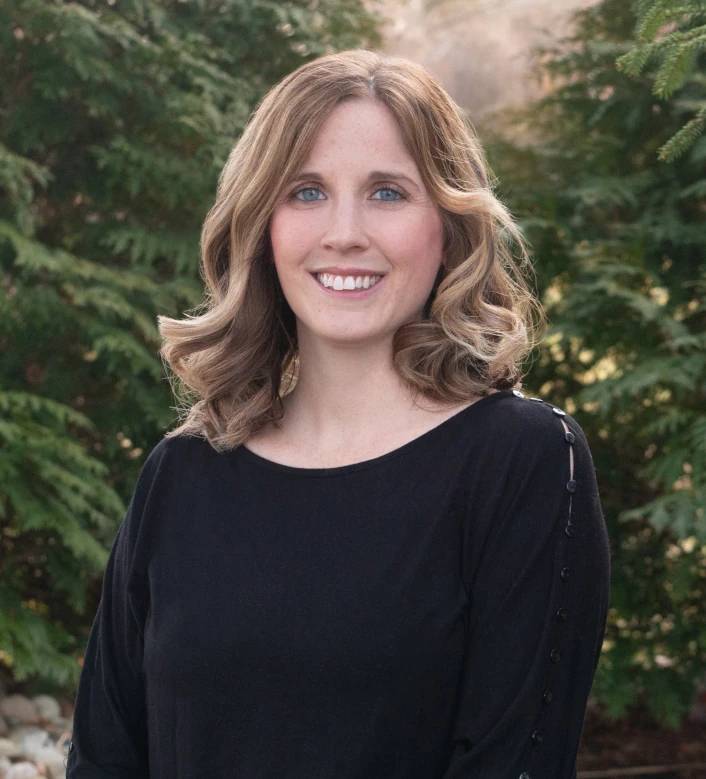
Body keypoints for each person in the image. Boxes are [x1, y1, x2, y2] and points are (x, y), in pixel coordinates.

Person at [65, 49, 611, 779]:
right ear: (263, 224)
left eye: (387, 193)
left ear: (447, 226)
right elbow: (104, 759)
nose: (345, 232)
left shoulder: (524, 462)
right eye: (306, 191)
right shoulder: (183, 472)